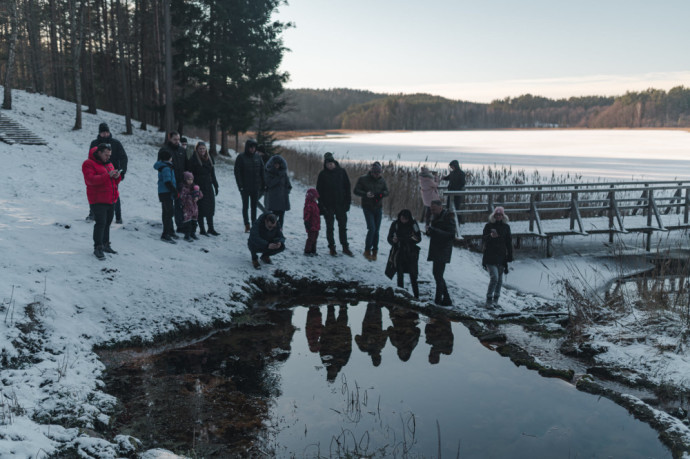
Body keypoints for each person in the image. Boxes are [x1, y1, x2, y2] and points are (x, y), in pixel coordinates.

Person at [82, 143, 122, 259]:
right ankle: (98, 247)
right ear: (99, 153)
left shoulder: (109, 163)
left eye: (109, 155)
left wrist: (117, 176)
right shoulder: (88, 164)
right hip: (97, 199)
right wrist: (107, 175)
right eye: (106, 155)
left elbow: (114, 182)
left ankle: (105, 244)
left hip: (111, 199)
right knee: (100, 223)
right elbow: (90, 180)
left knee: (107, 223)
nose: (108, 157)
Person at [87, 123, 128, 224]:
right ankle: (92, 214)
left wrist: (121, 172)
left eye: (106, 132)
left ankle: (118, 217)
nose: (105, 134)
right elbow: (91, 158)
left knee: (114, 194)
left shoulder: (116, 143)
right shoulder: (94, 143)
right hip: (98, 174)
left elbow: (123, 157)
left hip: (113, 174)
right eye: (103, 132)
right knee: (95, 193)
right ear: (99, 133)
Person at [316, 152, 353, 257]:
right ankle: (332, 248)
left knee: (343, 227)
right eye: (328, 164)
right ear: (325, 164)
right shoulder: (322, 174)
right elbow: (319, 191)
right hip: (328, 206)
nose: (330, 165)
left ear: (335, 163)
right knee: (330, 227)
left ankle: (345, 247)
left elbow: (347, 187)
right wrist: (322, 206)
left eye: (331, 163)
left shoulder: (342, 172)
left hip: (341, 204)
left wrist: (347, 203)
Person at [353, 161, 389, 261]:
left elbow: (387, 192)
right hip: (367, 207)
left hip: (378, 207)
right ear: (371, 172)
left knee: (376, 231)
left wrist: (381, 195)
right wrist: (366, 194)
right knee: (372, 229)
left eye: (379, 173)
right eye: (375, 173)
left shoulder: (382, 180)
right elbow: (356, 191)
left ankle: (375, 251)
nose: (377, 175)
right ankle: (367, 250)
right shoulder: (363, 179)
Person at [426, 200, 456, 306]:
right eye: (431, 209)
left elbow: (451, 235)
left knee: (438, 275)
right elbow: (435, 231)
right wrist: (429, 231)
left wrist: (434, 230)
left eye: (434, 209)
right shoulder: (435, 216)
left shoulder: (448, 216)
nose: (432, 211)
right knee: (437, 274)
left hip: (443, 249)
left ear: (440, 207)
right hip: (436, 248)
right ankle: (446, 299)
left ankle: (438, 300)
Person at [385, 209, 421, 298]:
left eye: (405, 219)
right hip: (399, 252)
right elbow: (389, 237)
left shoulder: (414, 224)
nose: (403, 220)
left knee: (413, 275)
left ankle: (416, 296)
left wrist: (409, 239)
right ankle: (401, 295)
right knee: (399, 274)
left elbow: (419, 238)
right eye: (402, 218)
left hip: (411, 253)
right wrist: (393, 241)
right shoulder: (395, 224)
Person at [187, 141, 219, 236]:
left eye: (203, 149)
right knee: (200, 208)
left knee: (210, 207)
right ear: (197, 150)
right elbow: (191, 175)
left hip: (209, 186)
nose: (202, 150)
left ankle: (211, 228)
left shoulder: (209, 158)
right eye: (200, 149)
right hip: (199, 186)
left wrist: (216, 185)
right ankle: (202, 229)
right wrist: (195, 188)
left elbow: (212, 174)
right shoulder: (193, 160)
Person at [482, 206, 513, 305]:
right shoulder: (488, 226)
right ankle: (489, 299)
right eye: (497, 214)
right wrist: (490, 236)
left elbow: (509, 242)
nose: (498, 216)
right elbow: (484, 239)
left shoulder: (506, 227)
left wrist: (510, 255)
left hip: (501, 256)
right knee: (494, 277)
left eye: (500, 215)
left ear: (503, 216)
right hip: (490, 256)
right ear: (494, 215)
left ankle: (496, 299)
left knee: (499, 280)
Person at [157, 131, 187, 233]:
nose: (177, 141)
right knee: (168, 208)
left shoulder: (182, 150)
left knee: (179, 205)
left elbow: (186, 164)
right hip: (168, 183)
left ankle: (180, 226)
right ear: (170, 138)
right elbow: (160, 165)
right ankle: (168, 229)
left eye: (178, 139)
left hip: (180, 181)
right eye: (175, 139)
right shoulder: (164, 150)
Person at [235, 139, 265, 233]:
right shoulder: (241, 157)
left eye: (254, 147)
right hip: (245, 187)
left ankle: (254, 224)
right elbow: (237, 173)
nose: (252, 149)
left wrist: (264, 184)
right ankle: (247, 225)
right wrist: (240, 186)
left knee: (254, 207)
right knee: (245, 206)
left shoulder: (258, 157)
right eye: (250, 147)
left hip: (255, 187)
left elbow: (262, 171)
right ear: (247, 147)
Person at [153, 149, 178, 244]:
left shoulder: (164, 166)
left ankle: (169, 231)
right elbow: (167, 181)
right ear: (169, 158)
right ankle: (165, 234)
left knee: (166, 212)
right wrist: (174, 191)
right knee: (169, 213)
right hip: (166, 193)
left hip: (163, 193)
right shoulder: (166, 168)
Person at [264, 154, 291, 229]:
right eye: (275, 164)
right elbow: (269, 183)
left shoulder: (284, 173)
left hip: (282, 199)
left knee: (281, 218)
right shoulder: (269, 173)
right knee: (273, 218)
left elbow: (288, 185)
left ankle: (280, 231)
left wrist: (286, 192)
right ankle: (272, 231)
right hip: (274, 199)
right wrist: (278, 177)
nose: (276, 165)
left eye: (278, 164)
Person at [179, 171, 203, 242]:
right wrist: (190, 196)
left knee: (194, 222)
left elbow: (201, 195)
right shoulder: (183, 188)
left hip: (195, 208)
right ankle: (187, 235)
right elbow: (182, 197)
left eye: (191, 179)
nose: (190, 181)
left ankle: (193, 233)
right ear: (185, 180)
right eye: (188, 179)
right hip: (187, 208)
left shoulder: (195, 187)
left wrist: (197, 196)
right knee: (188, 223)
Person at [442, 160, 466, 225]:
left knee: (456, 207)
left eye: (452, 166)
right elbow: (448, 178)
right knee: (448, 207)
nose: (451, 167)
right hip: (450, 192)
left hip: (457, 193)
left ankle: (458, 221)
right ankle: (449, 221)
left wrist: (456, 189)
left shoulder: (461, 173)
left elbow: (462, 183)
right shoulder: (452, 173)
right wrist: (443, 178)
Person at [303, 188, 321, 256]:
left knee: (315, 239)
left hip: (316, 225)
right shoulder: (308, 205)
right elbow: (307, 215)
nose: (316, 199)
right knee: (310, 239)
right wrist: (306, 222)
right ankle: (307, 251)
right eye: (315, 197)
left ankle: (313, 250)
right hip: (311, 225)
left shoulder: (315, 204)